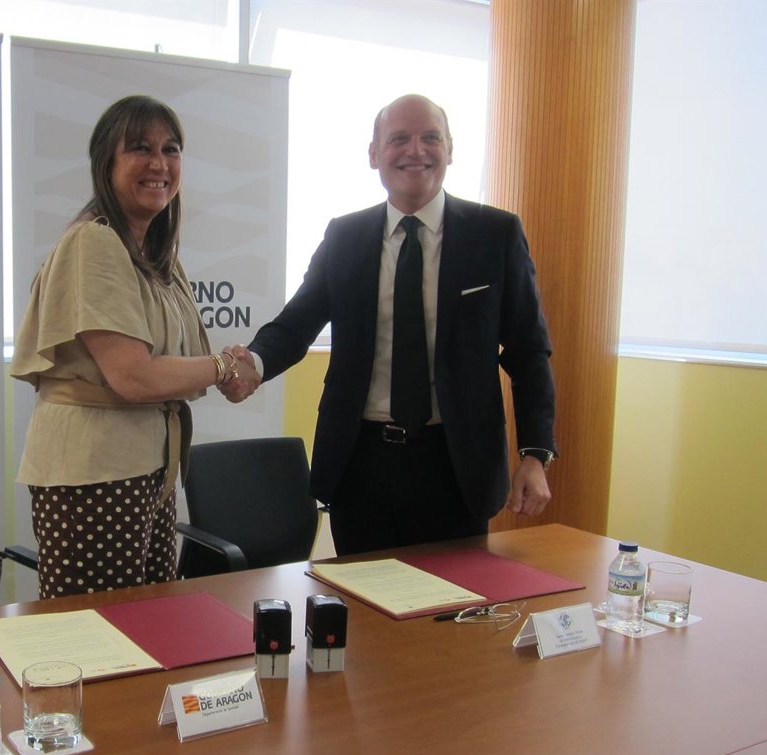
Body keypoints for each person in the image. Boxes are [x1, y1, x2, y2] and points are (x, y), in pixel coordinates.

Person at [229, 94, 556, 556]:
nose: (415, 151)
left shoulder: (495, 233)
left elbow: (528, 352)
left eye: (430, 138)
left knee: (450, 599)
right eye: (399, 139)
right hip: (360, 463)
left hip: (457, 465)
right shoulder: (345, 236)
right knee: (359, 597)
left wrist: (535, 454)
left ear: (450, 149)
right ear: (374, 153)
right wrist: (255, 363)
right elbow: (296, 323)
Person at [12, 95, 258, 598]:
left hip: (145, 466)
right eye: (141, 148)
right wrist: (223, 367)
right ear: (107, 161)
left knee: (150, 622)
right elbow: (134, 377)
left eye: (171, 149)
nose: (159, 164)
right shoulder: (95, 241)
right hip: (96, 474)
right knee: (100, 632)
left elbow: (173, 363)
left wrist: (228, 366)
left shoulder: (153, 252)